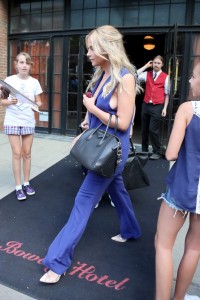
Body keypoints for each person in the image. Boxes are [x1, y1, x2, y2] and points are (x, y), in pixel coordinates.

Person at [39, 25, 142, 284]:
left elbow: (124, 122)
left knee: (83, 201)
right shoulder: (101, 74)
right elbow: (92, 108)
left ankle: (57, 261)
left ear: (107, 48)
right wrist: (85, 125)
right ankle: (131, 230)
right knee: (117, 189)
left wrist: (92, 109)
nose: (88, 53)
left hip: (111, 152)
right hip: (98, 145)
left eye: (91, 47)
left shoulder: (125, 76)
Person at [155, 62, 200, 300]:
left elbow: (171, 153)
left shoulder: (187, 109)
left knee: (163, 245)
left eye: (193, 76)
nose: (190, 81)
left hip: (183, 187)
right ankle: (179, 298)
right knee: (194, 247)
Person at [0, 52, 43, 201]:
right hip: (12, 121)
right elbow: (1, 100)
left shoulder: (34, 82)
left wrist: (37, 105)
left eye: (27, 63)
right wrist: (8, 102)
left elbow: (39, 101)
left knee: (27, 153)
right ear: (16, 64)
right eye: (21, 62)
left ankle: (27, 183)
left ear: (30, 66)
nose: (24, 65)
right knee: (17, 153)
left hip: (28, 121)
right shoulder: (9, 80)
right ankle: (18, 187)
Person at [137, 55, 169, 160]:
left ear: (162, 65)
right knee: (144, 129)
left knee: (153, 130)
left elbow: (167, 94)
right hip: (146, 104)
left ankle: (157, 151)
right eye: (154, 62)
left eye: (158, 63)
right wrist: (146, 66)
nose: (156, 65)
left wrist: (164, 108)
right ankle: (144, 150)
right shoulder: (147, 74)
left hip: (158, 106)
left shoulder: (166, 77)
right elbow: (135, 74)